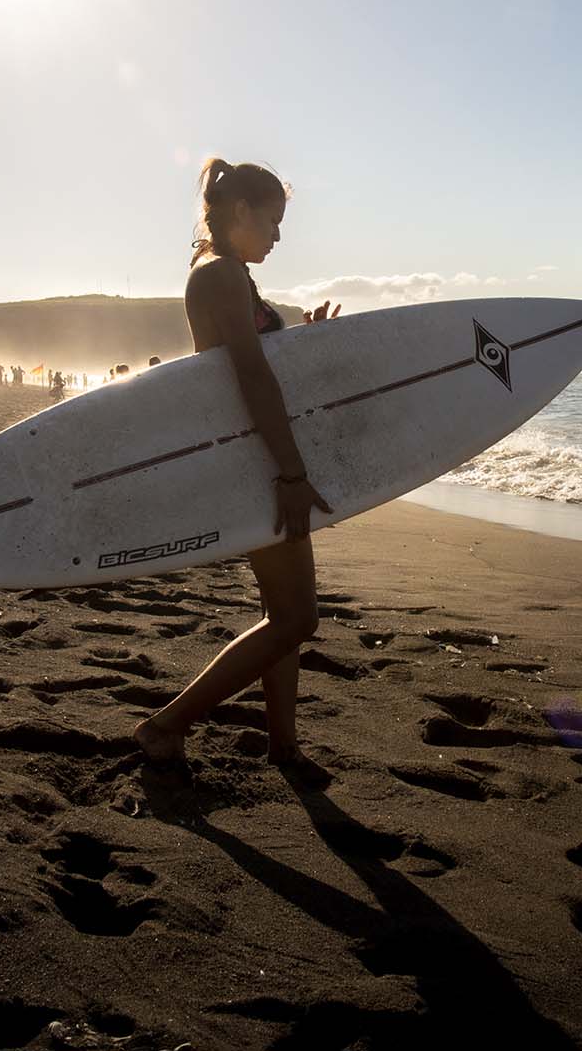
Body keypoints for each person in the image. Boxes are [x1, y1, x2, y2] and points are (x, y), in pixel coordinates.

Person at [134, 157, 338, 782]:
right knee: (298, 618)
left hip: (255, 457)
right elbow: (248, 377)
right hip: (257, 461)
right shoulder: (221, 275)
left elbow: (259, 360)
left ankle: (284, 745)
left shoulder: (228, 275)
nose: (278, 236)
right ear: (240, 212)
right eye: (273, 221)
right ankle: (166, 725)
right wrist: (291, 472)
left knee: (284, 615)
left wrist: (303, 339)